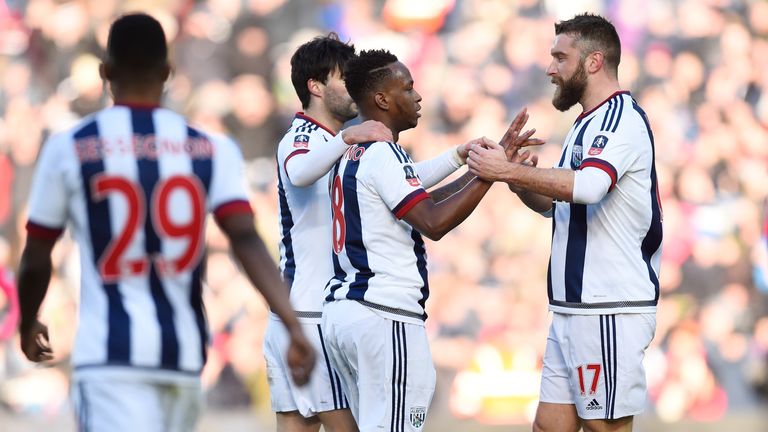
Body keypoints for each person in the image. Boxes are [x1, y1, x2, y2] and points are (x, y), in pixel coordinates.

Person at [16, 13, 314, 432]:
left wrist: (27, 320)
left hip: (110, 358)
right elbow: (246, 241)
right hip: (182, 356)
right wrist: (293, 322)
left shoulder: (72, 146)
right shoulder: (210, 148)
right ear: (168, 72)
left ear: (105, 72)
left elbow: (36, 253)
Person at [320, 48, 539, 431]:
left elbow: (422, 197)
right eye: (407, 87)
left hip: (346, 313)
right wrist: (491, 174)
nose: (418, 96)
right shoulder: (382, 152)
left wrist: (488, 163)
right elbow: (433, 222)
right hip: (384, 315)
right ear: (382, 99)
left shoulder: (350, 151)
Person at [467, 13, 662, 432]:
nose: (549, 67)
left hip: (609, 307)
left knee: (603, 428)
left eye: (560, 57)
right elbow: (559, 204)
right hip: (573, 309)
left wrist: (508, 172)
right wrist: (518, 180)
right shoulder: (585, 125)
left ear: (593, 62)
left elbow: (589, 186)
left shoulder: (619, 119)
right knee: (548, 428)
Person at [267, 33, 392, 432]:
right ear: (315, 86)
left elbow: (405, 187)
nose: (354, 89)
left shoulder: (335, 143)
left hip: (304, 315)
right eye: (344, 79)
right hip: (310, 314)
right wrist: (347, 136)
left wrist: (462, 159)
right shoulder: (303, 137)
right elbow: (300, 172)